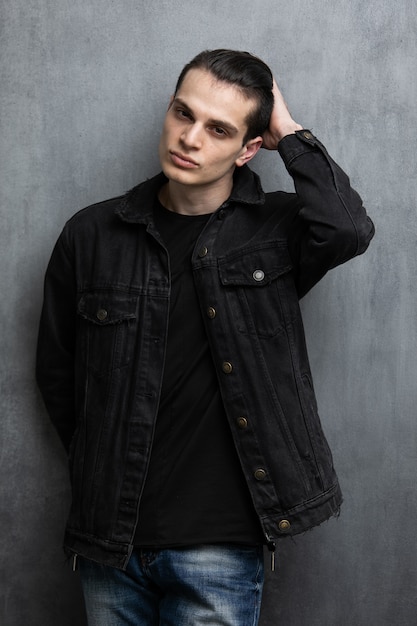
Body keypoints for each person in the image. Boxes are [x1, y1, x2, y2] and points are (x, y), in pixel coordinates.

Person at [36, 49, 374, 626]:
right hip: (109, 541)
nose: (189, 138)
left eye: (218, 129)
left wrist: (287, 131)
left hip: (220, 543)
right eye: (181, 113)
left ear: (248, 148)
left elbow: (347, 227)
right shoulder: (91, 234)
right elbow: (60, 377)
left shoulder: (277, 231)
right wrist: (103, 462)